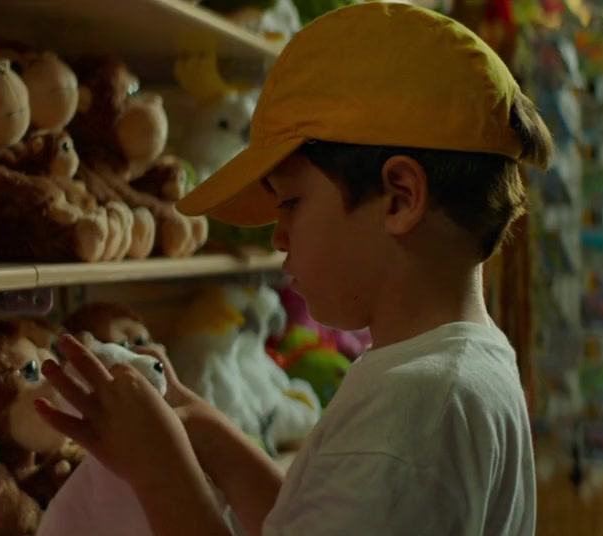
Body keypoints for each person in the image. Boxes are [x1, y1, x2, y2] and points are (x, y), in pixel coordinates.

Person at [34, 2, 553, 535]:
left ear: (400, 198)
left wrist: (157, 468)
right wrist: (206, 432)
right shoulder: (457, 371)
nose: (278, 236)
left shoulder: (415, 415)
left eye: (291, 203)